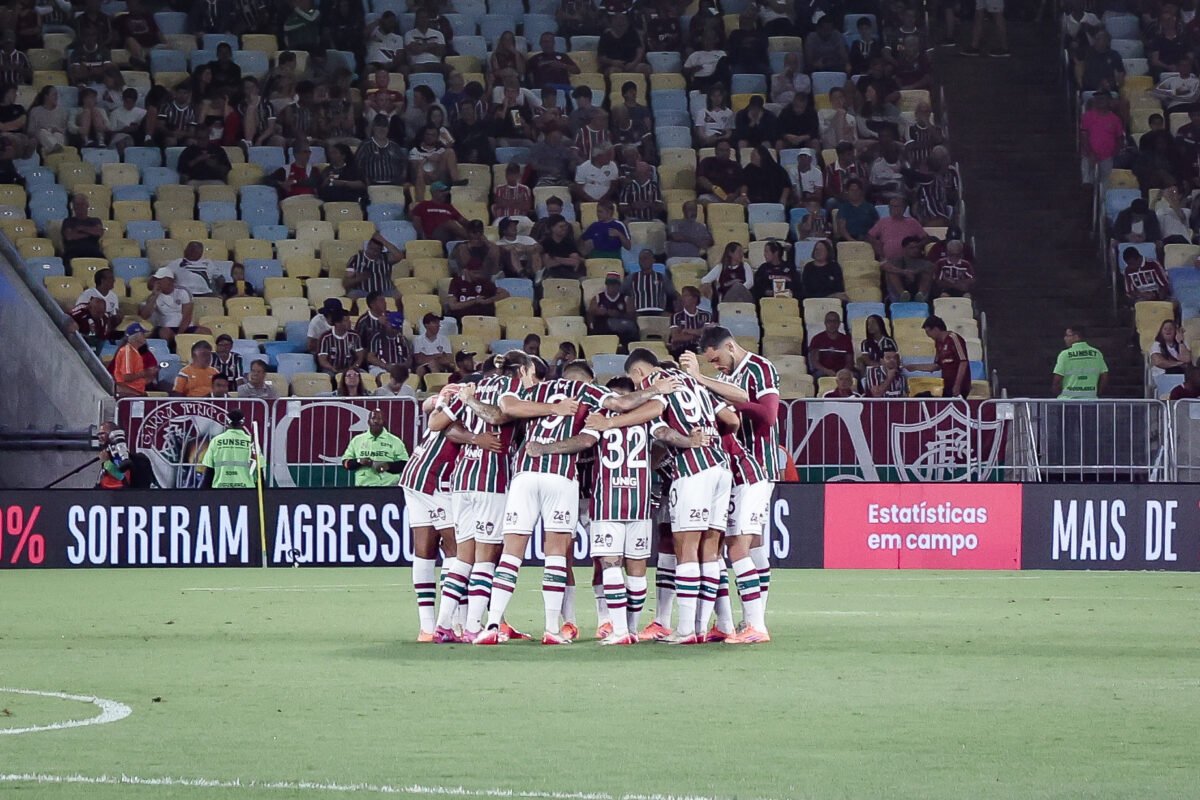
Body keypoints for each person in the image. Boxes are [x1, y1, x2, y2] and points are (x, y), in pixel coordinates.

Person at [342, 408, 409, 488]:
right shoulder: (357, 440)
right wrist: (359, 461)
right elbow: (345, 463)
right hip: (363, 488)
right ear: (368, 422)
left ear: (384, 422)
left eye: (379, 419)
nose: (376, 421)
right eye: (373, 418)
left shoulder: (395, 441)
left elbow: (405, 464)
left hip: (389, 487)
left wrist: (388, 466)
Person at [140, 268, 206, 344]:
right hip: (165, 327)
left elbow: (187, 317)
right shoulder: (154, 296)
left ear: (170, 281)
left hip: (184, 327)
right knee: (165, 333)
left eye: (161, 279)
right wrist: (155, 296)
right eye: (157, 280)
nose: (158, 282)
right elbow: (144, 316)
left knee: (205, 332)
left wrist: (179, 334)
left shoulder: (183, 292)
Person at [199, 410, 259, 489]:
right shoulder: (251, 442)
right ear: (243, 423)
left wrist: (203, 493)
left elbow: (209, 470)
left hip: (220, 489)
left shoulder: (216, 441)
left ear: (227, 423)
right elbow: (259, 469)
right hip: (246, 489)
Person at [918, 315, 971, 398]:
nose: (928, 335)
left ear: (936, 329)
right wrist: (913, 367)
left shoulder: (954, 338)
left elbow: (963, 362)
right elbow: (936, 366)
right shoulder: (938, 343)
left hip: (960, 386)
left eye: (928, 332)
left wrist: (957, 385)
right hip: (947, 385)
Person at [1079, 92, 1124, 186]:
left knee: (1106, 183)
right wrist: (1090, 153)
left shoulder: (1115, 119)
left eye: (1103, 99)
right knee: (1087, 183)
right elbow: (1084, 136)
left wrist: (1114, 154)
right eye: (1098, 99)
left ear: (1109, 101)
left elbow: (1119, 138)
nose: (1100, 102)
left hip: (1107, 157)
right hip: (1088, 156)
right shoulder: (1087, 116)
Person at [868, 197, 931, 262]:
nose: (892, 209)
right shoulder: (883, 222)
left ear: (903, 208)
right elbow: (870, 236)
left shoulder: (912, 222)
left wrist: (916, 247)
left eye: (896, 206)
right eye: (890, 206)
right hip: (889, 261)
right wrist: (877, 246)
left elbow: (926, 238)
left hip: (910, 261)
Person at [343, 232, 406, 297]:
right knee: (352, 295)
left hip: (385, 291)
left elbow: (399, 256)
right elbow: (346, 283)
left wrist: (383, 241)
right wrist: (359, 278)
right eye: (371, 249)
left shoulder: (386, 257)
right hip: (363, 291)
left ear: (381, 250)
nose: (373, 252)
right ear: (368, 246)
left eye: (376, 250)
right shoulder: (355, 259)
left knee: (398, 296)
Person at [1052, 325, 1108, 399]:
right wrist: (1097, 393)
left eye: (1067, 335)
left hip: (1067, 401)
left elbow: (1057, 380)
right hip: (1090, 400)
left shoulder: (1065, 355)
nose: (1065, 338)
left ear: (1076, 337)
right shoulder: (1097, 353)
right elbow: (1104, 377)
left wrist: (1058, 393)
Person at [588, 271, 638, 342]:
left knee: (630, 328)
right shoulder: (597, 298)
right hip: (602, 328)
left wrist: (619, 314)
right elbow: (590, 313)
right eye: (609, 284)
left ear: (619, 285)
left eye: (614, 284)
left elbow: (632, 316)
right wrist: (597, 312)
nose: (611, 286)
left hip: (621, 328)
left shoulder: (626, 299)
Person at [882, 236, 936, 302]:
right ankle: (902, 295)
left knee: (927, 273)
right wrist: (904, 272)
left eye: (917, 248)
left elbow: (931, 267)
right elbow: (884, 266)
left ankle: (921, 295)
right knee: (891, 273)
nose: (916, 250)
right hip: (902, 287)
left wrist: (914, 272)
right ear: (904, 249)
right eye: (912, 248)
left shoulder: (924, 261)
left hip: (917, 287)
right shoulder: (897, 260)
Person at [112, 323, 158, 398]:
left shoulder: (135, 351)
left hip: (136, 391)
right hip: (127, 393)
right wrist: (147, 372)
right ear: (136, 337)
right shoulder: (127, 352)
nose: (145, 338)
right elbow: (126, 377)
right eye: (142, 334)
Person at [625, 250, 677, 314]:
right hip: (638, 314)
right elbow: (622, 294)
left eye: (645, 258)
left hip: (659, 313)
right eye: (640, 259)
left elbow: (674, 294)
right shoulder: (631, 278)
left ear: (653, 260)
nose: (643, 261)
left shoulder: (662, 278)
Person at [696, 139, 746, 205]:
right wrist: (714, 189)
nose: (725, 153)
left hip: (731, 197)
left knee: (744, 202)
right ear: (716, 151)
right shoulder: (707, 162)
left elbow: (741, 184)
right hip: (711, 195)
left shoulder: (736, 165)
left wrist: (735, 195)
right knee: (703, 201)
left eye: (727, 150)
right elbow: (701, 179)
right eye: (721, 150)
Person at [61, 194, 106, 266]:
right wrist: (90, 233)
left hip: (93, 251)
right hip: (73, 251)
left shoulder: (95, 220)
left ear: (87, 205)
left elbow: (98, 232)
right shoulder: (68, 221)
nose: (80, 207)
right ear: (74, 207)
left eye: (82, 204)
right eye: (77, 205)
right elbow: (70, 236)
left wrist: (81, 229)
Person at [317, 309, 365, 375]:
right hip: (331, 370)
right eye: (346, 321)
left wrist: (354, 367)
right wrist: (332, 368)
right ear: (337, 323)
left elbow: (360, 356)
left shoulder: (355, 336)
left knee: (364, 375)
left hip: (351, 368)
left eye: (349, 320)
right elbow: (322, 360)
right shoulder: (325, 338)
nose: (350, 322)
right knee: (327, 376)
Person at [808, 311, 854, 378]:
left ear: (839, 323)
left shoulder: (846, 340)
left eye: (835, 321)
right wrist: (827, 371)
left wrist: (842, 372)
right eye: (829, 321)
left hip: (841, 372)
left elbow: (849, 361)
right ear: (825, 323)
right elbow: (814, 362)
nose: (832, 324)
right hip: (822, 371)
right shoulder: (817, 339)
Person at [669, 286, 712, 353]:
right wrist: (697, 335)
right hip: (682, 349)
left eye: (686, 296)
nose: (683, 299)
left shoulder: (706, 315)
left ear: (695, 298)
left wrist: (686, 331)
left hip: (701, 349)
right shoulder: (676, 316)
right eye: (682, 296)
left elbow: (707, 334)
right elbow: (676, 337)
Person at [96, 421, 132, 489]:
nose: (100, 437)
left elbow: (121, 476)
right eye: (99, 434)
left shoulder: (120, 452)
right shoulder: (109, 452)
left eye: (102, 433)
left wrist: (106, 462)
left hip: (116, 494)